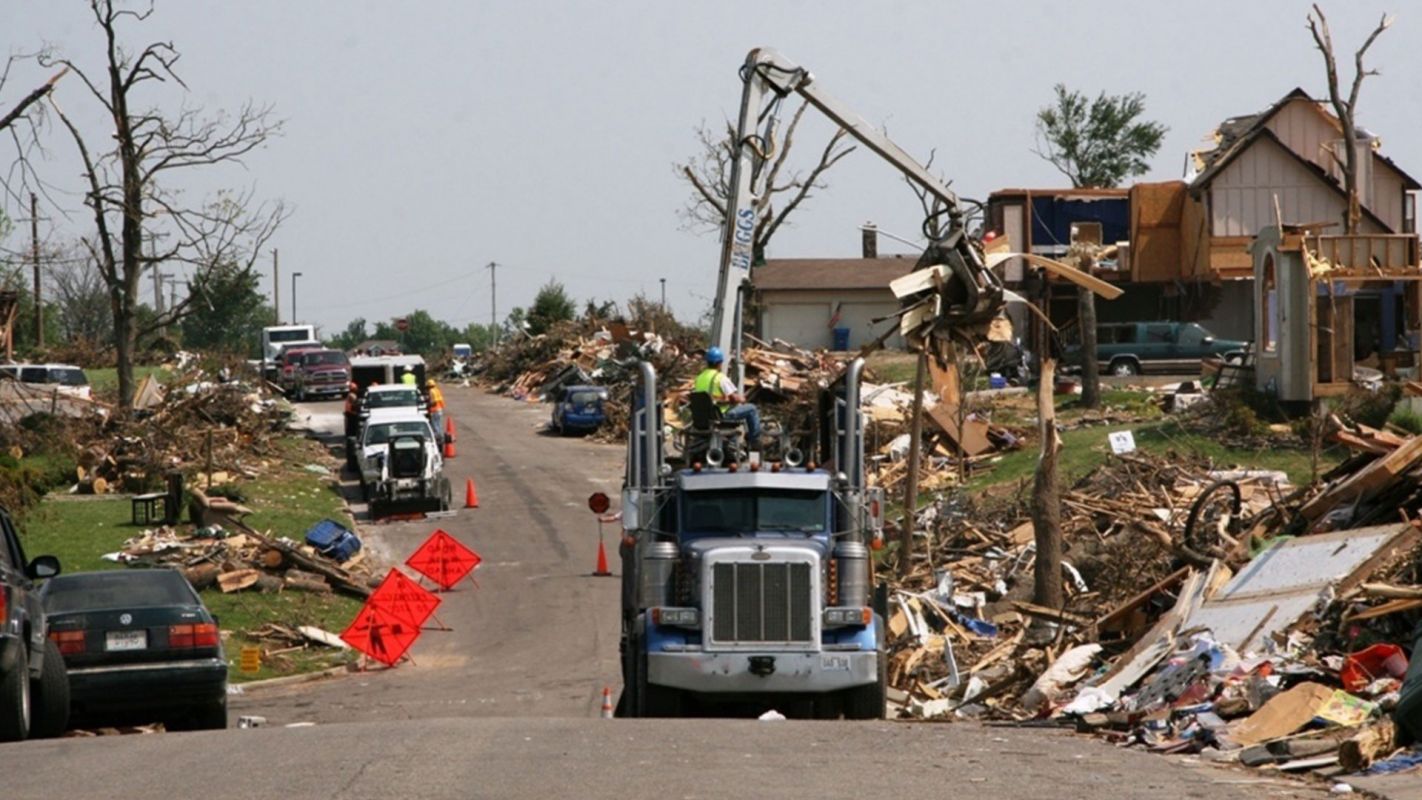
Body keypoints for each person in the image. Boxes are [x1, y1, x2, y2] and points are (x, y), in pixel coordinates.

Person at [693, 346, 761, 440]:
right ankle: (753, 440)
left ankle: (731, 442)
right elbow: (733, 399)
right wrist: (741, 399)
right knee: (752, 409)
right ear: (719, 363)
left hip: (703, 416)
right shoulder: (720, 378)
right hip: (720, 415)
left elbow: (706, 397)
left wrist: (721, 399)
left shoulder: (699, 378)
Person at [426, 378, 447, 447]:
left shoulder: (431, 391)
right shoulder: (437, 390)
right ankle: (441, 437)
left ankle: (438, 439)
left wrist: (427, 405)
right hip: (440, 409)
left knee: (435, 425)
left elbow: (434, 402)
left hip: (434, 410)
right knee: (439, 424)